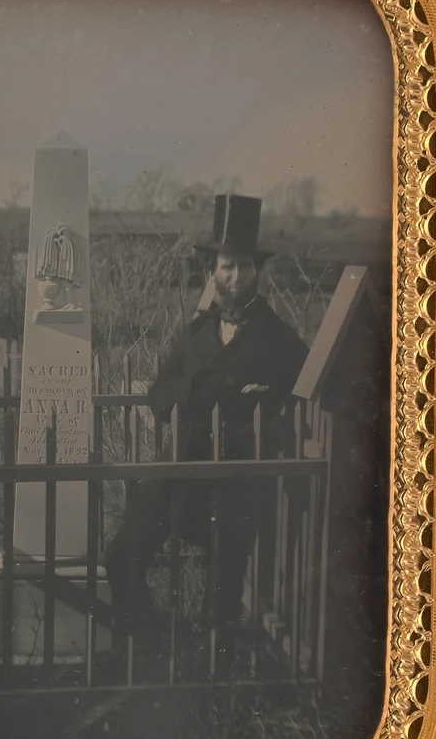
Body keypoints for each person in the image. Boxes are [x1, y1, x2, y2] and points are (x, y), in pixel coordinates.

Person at [104, 193, 309, 649]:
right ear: (212, 272)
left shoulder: (279, 341)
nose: (236, 277)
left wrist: (258, 418)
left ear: (257, 271)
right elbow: (159, 395)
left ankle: (213, 678)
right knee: (120, 554)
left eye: (244, 267)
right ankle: (146, 640)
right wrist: (205, 393)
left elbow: (299, 411)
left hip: (236, 480)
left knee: (220, 596)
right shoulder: (196, 334)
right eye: (226, 267)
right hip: (179, 469)